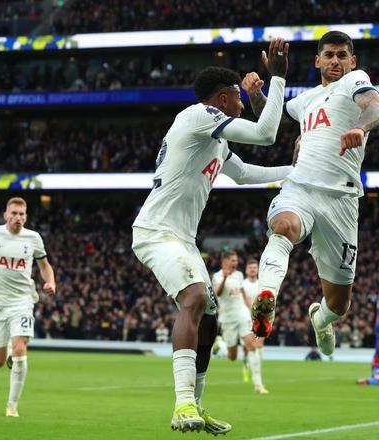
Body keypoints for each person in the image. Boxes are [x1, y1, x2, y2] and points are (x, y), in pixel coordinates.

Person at [131, 37, 290, 434]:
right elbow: (266, 134)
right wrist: (278, 79)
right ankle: (183, 402)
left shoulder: (216, 140)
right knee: (196, 298)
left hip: (182, 239)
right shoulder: (199, 115)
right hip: (156, 231)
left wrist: (297, 172)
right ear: (222, 99)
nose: (241, 103)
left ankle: (196, 407)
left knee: (209, 319)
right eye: (237, 97)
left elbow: (247, 174)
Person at [243, 31, 379, 356]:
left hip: (341, 199)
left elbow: (377, 109)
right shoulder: (306, 99)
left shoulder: (355, 81)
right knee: (283, 226)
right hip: (301, 187)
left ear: (353, 61)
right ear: (317, 61)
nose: (335, 61)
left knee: (339, 303)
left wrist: (360, 127)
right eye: (329, 55)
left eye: (342, 55)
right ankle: (266, 296)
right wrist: (256, 93)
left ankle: (321, 319)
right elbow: (271, 117)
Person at [0, 197, 56, 417]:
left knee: (20, 348)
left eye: (22, 214)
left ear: (26, 217)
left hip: (22, 302)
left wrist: (51, 282)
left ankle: (12, 405)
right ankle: (7, 350)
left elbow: (45, 265)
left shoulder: (33, 238)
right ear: (6, 215)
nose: (18, 217)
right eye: (14, 213)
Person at [212, 252, 268, 394]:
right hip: (227, 318)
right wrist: (225, 278)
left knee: (252, 347)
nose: (236, 263)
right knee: (233, 357)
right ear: (225, 262)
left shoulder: (239, 275)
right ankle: (221, 345)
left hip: (242, 314)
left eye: (236, 260)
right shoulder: (217, 276)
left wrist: (252, 311)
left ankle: (258, 385)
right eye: (233, 260)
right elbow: (218, 293)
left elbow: (243, 295)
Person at [241, 258, 265, 384]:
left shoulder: (262, 285)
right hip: (245, 318)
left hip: (259, 319)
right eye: (250, 268)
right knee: (248, 347)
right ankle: (246, 364)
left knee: (259, 346)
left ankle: (257, 376)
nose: (252, 270)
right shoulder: (242, 285)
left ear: (258, 270)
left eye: (254, 268)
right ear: (246, 270)